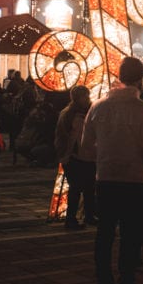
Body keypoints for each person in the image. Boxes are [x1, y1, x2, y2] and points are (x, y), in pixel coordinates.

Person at [80, 56, 143, 284]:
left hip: (105, 177)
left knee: (104, 233)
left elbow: (85, 147)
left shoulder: (98, 107)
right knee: (130, 234)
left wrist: (104, 158)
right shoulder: (142, 110)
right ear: (140, 79)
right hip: (134, 179)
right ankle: (126, 283)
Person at [54, 85, 96, 229]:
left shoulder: (71, 112)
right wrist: (67, 154)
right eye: (85, 96)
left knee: (87, 188)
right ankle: (72, 219)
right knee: (77, 188)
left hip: (85, 156)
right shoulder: (75, 115)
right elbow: (72, 138)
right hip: (77, 156)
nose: (88, 99)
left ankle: (87, 215)